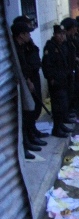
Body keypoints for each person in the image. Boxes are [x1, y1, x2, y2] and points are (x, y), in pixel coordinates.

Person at [12, 21, 45, 159]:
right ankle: (25, 145)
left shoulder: (24, 46)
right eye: (27, 33)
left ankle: (30, 138)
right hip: (20, 85)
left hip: (28, 80)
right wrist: (27, 80)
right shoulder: (14, 48)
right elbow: (19, 67)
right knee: (24, 116)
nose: (30, 36)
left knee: (31, 112)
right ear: (21, 35)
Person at [42, 24, 73, 138]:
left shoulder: (64, 46)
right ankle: (56, 128)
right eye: (59, 34)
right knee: (58, 106)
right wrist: (51, 79)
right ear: (54, 34)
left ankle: (60, 125)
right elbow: (47, 65)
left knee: (64, 105)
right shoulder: (50, 47)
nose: (61, 36)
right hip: (56, 81)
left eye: (63, 34)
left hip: (64, 79)